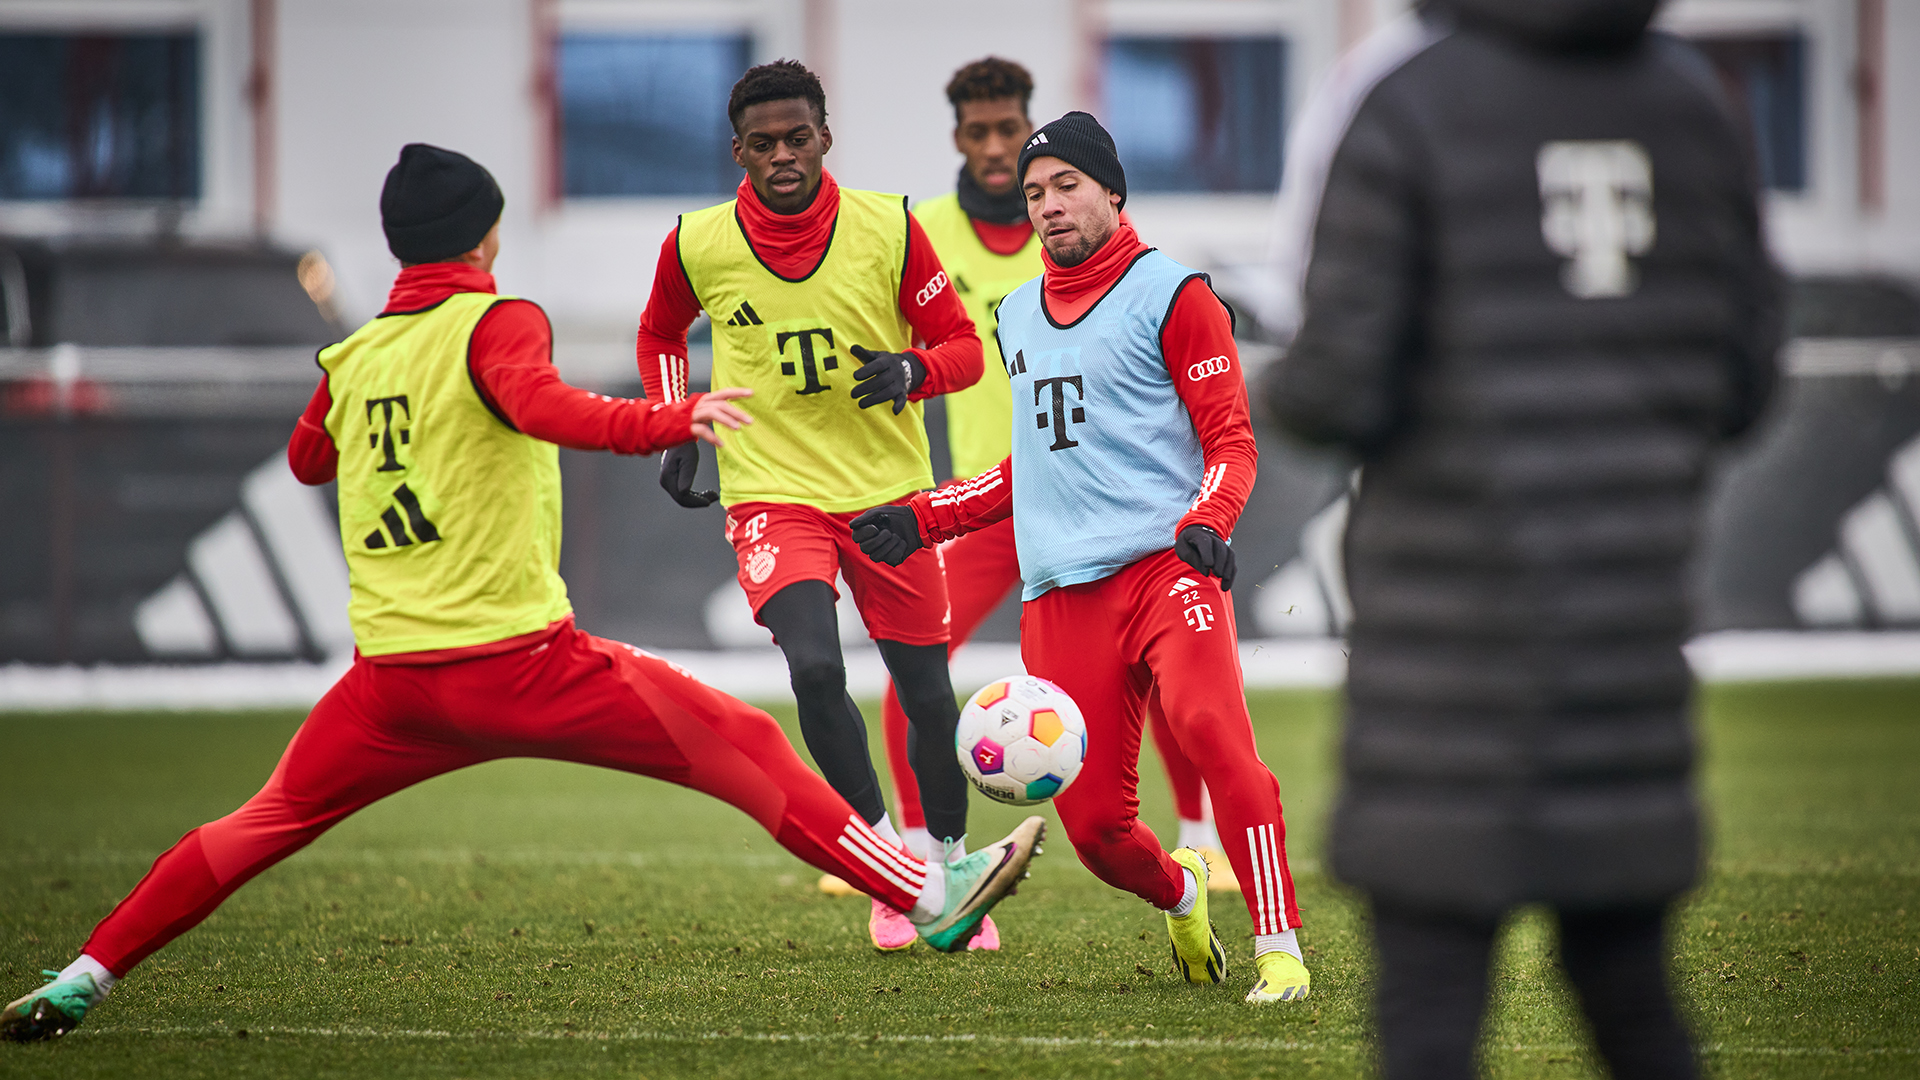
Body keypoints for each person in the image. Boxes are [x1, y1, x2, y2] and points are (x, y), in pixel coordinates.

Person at [0, 144, 1043, 1044]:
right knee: (751, 746)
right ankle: (925, 894)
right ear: (486, 237)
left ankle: (84, 974)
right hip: (521, 664)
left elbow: (309, 460)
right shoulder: (498, 322)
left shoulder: (356, 354)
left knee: (259, 821)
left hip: (390, 683)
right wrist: (668, 423)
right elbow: (544, 407)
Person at [1263, 0, 1781, 1075]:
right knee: (1632, 994)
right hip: (1627, 636)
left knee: (1432, 1007)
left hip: (1452, 653)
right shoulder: (1690, 101)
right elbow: (1744, 379)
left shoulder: (1408, 98)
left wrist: (1278, 373)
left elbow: (1336, 389)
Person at [852, 113, 1311, 1004]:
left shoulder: (1178, 295)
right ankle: (1182, 893)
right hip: (1060, 597)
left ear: (1112, 191)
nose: (1049, 206)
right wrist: (924, 516)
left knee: (1215, 733)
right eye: (1034, 194)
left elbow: (1232, 439)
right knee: (1099, 832)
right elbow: (1033, 467)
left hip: (1166, 571)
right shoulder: (1015, 313)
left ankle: (1279, 946)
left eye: (1067, 185)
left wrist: (1211, 518)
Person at [862, 57, 1240, 896]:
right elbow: (928, 346)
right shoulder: (924, 234)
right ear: (957, 138)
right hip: (999, 500)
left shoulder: (1116, 254)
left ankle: (1201, 838)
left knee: (1181, 683)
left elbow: (1204, 396)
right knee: (917, 665)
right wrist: (911, 378)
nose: (999, 151)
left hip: (1122, 511)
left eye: (1011, 131)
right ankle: (919, 849)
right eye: (980, 133)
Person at [633, 61, 986, 954]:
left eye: (798, 138)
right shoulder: (697, 242)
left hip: (886, 497)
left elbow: (962, 349)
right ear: (739, 151)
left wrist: (913, 371)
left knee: (927, 694)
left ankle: (950, 863)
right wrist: (675, 423)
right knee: (816, 671)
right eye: (764, 143)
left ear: (825, 137)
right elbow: (658, 332)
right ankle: (883, 867)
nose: (782, 155)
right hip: (773, 494)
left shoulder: (889, 228)